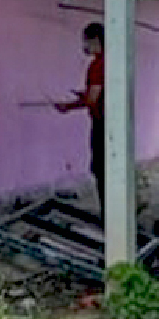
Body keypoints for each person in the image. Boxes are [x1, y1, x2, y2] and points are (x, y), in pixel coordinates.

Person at [55, 22, 106, 214]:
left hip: (101, 123)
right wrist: (80, 99)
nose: (84, 45)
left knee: (101, 171)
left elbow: (93, 100)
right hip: (111, 123)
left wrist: (69, 106)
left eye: (86, 41)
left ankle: (107, 217)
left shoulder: (97, 65)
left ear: (95, 40)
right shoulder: (112, 61)